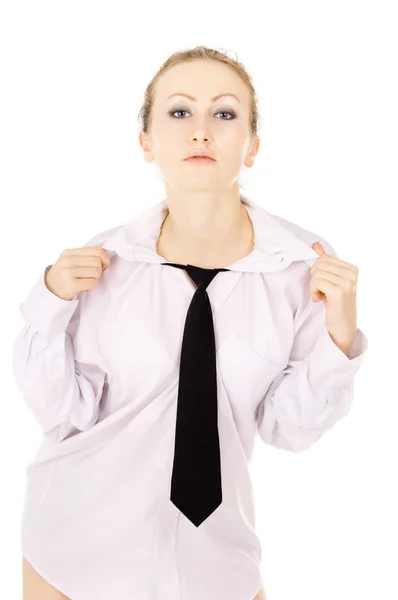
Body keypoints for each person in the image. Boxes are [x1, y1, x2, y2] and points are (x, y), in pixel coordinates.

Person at [14, 46, 368, 600]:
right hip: (76, 549)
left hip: (217, 563)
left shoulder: (304, 268)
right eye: (179, 112)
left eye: (224, 114)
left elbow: (287, 428)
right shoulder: (101, 262)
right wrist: (51, 301)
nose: (200, 131)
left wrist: (339, 335)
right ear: (146, 141)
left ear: (251, 146)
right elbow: (63, 412)